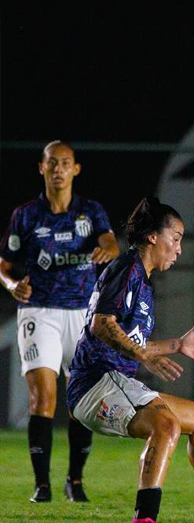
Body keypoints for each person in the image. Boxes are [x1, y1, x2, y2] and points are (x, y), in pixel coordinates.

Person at [66, 197, 194, 523]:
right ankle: (143, 521)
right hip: (95, 384)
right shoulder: (127, 268)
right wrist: (144, 357)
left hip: (116, 383)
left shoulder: (142, 281)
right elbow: (102, 325)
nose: (178, 249)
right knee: (166, 423)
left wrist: (177, 345)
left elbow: (130, 340)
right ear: (152, 238)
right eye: (174, 238)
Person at [1, 141, 119, 503]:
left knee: (81, 398)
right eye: (52, 163)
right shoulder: (26, 215)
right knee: (43, 398)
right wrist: (10, 284)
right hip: (40, 311)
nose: (58, 169)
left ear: (75, 169)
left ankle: (75, 480)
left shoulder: (91, 211)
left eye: (65, 163)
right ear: (41, 168)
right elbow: (4, 264)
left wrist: (108, 249)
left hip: (83, 313)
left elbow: (111, 243)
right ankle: (42, 485)